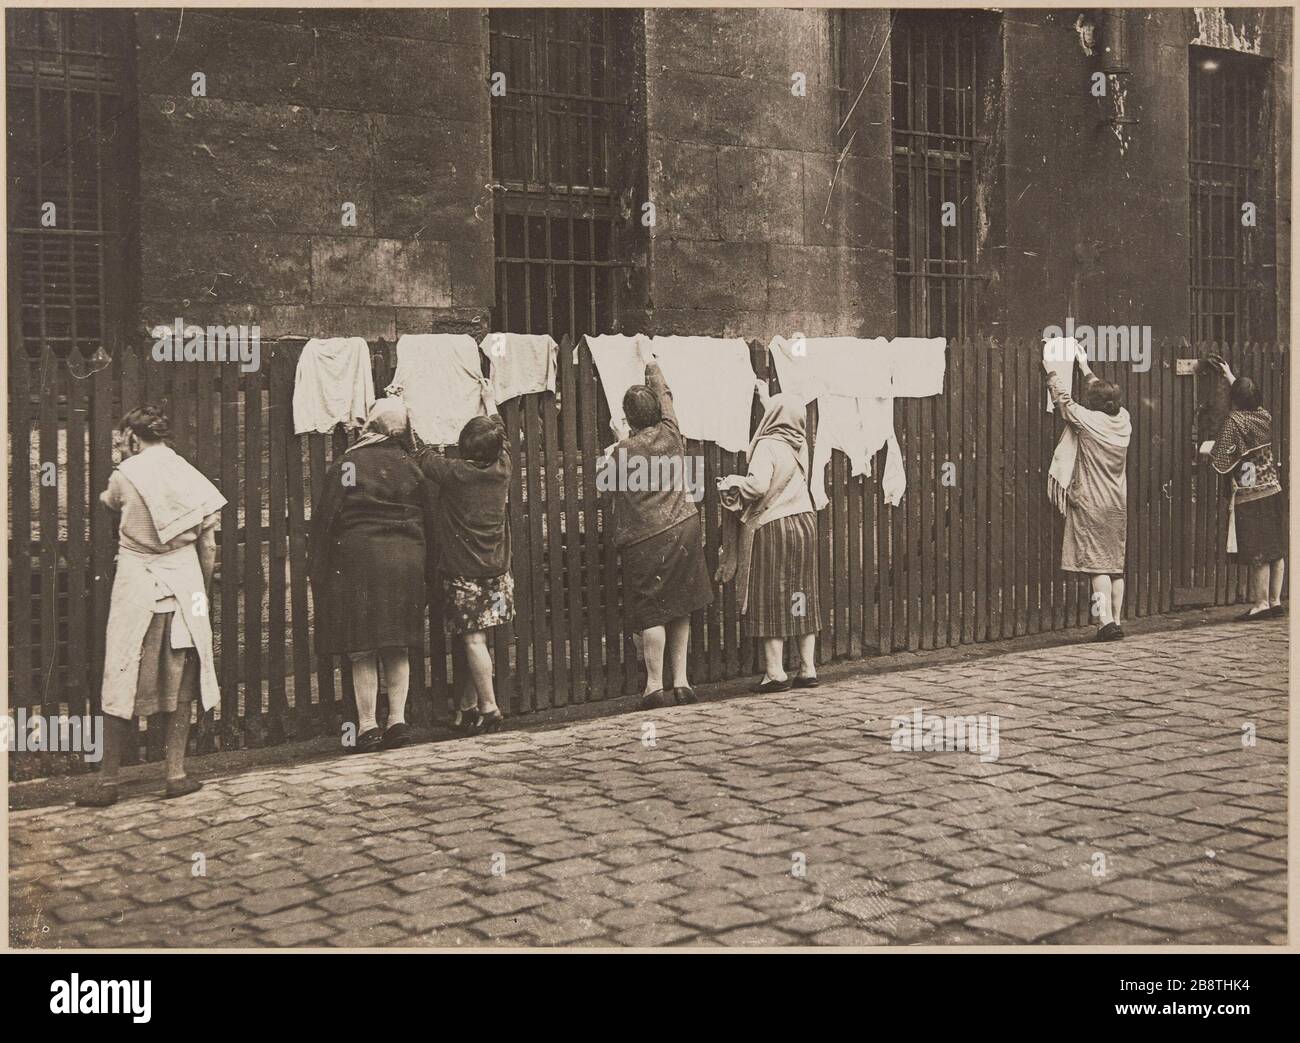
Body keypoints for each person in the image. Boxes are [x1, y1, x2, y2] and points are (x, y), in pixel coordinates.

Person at [78, 406, 226, 806]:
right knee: (180, 680)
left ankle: (108, 781)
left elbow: (110, 503)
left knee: (122, 672)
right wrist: (201, 592)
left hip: (137, 585)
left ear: (132, 438)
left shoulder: (126, 477)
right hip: (184, 586)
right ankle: (175, 774)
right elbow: (208, 546)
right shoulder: (192, 479)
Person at [309, 398, 436, 754]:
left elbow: (326, 520)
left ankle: (367, 726)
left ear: (373, 426)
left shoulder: (348, 463)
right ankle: (398, 721)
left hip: (360, 563)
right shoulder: (411, 466)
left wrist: (318, 569)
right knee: (397, 642)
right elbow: (430, 518)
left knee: (362, 647)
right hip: (407, 562)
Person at [606, 358, 714, 710]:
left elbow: (610, 488)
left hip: (646, 539)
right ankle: (682, 682)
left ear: (628, 419)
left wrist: (619, 441)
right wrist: (651, 363)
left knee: (652, 611)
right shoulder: (672, 433)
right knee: (681, 606)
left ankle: (654, 686)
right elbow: (665, 394)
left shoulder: (621, 453)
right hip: (683, 528)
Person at [414, 379, 514, 734]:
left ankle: (489, 707)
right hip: (497, 570)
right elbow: (501, 433)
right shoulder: (504, 467)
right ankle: (469, 705)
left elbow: (421, 453)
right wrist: (490, 401)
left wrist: (406, 407)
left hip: (465, 573)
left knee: (472, 639)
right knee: (478, 638)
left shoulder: (456, 474)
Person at [717, 381, 822, 692]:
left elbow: (758, 486)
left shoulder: (766, 445)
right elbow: (784, 414)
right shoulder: (799, 442)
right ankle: (807, 668)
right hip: (805, 523)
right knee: (800, 594)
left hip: (774, 528)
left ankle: (775, 673)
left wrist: (732, 481)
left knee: (770, 598)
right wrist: (767, 399)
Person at [1043, 343, 1132, 640]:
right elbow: (1101, 391)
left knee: (1097, 567)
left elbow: (1064, 402)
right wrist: (1084, 366)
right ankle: (1117, 619)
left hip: (1092, 502)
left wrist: (1051, 370)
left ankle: (1104, 622)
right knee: (1115, 566)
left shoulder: (1087, 420)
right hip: (1117, 503)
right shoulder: (1125, 421)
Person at [1202, 358, 1287, 620]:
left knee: (1258, 552)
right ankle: (1274, 601)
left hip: (1250, 495)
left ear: (1234, 399)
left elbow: (1220, 459)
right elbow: (1250, 400)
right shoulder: (1264, 416)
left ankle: (1259, 604)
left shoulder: (1233, 422)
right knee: (1275, 550)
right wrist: (1231, 376)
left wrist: (1205, 449)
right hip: (1273, 488)